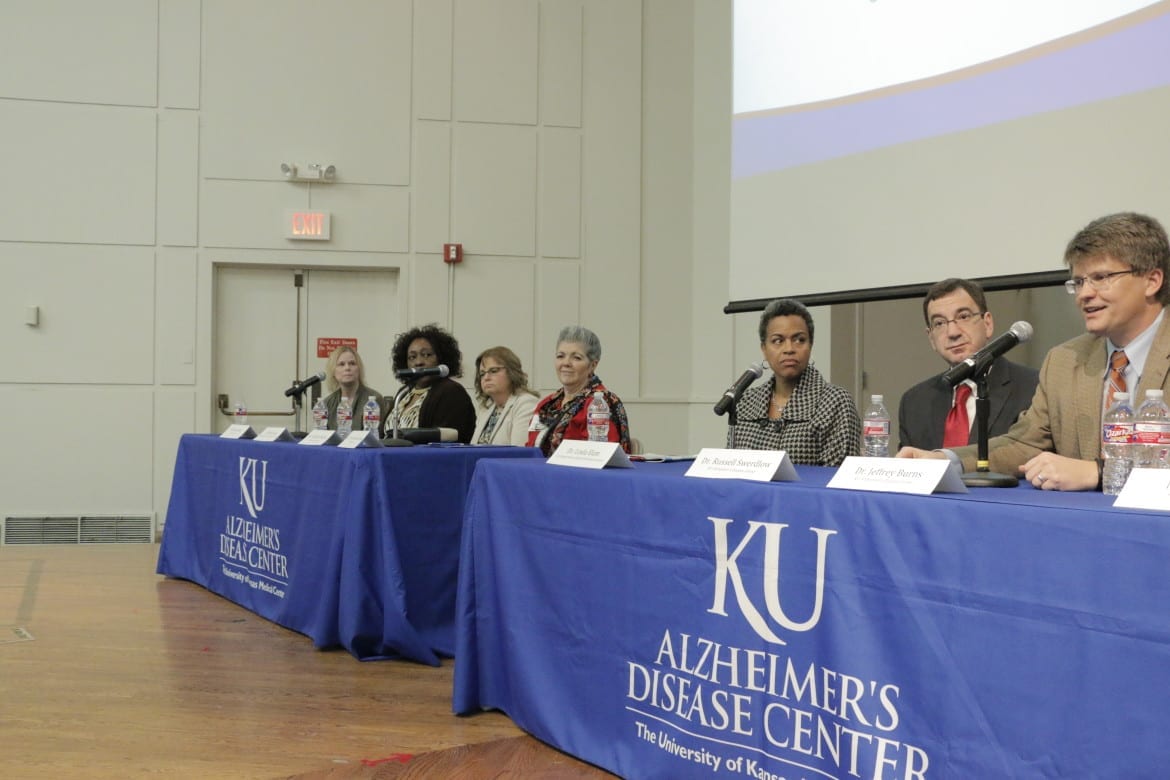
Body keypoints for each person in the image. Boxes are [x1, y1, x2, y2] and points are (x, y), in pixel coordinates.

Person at [898, 211, 1170, 491]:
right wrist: (943, 459)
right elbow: (1023, 443)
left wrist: (1099, 472)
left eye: (1101, 277)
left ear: (1152, 280)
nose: (1084, 294)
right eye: (1078, 282)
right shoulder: (1064, 360)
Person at [898, 278, 1039, 450]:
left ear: (987, 323)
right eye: (940, 323)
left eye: (963, 316)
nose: (952, 332)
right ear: (931, 338)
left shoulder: (1034, 388)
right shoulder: (915, 402)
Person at [726, 298, 860, 466]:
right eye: (778, 340)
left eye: (799, 340)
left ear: (810, 345)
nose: (789, 349)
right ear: (764, 349)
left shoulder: (835, 402)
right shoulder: (746, 402)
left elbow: (835, 479)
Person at [526, 325, 632, 456]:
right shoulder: (546, 405)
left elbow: (601, 456)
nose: (566, 363)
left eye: (576, 357)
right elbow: (529, 450)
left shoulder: (601, 403)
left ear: (593, 365)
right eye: (560, 356)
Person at [388, 324, 477, 443]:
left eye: (427, 355)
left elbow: (445, 440)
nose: (419, 362)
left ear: (441, 358)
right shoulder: (404, 393)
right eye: (412, 357)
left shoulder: (451, 392)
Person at [471, 346, 539, 446]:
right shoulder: (486, 406)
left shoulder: (526, 403)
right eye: (482, 373)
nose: (486, 377)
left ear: (512, 372)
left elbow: (519, 452)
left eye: (493, 371)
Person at [321, 346, 385, 432]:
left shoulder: (375, 399)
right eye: (341, 364)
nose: (347, 368)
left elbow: (379, 436)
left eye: (352, 363)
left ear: (359, 369)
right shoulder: (327, 403)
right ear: (333, 372)